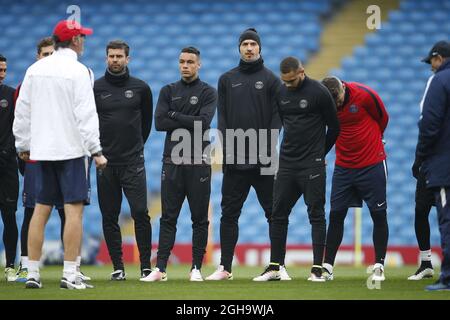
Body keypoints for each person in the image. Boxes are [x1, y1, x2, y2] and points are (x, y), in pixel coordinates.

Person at [13, 20, 107, 290]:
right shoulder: (78, 71)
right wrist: (96, 150)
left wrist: (23, 144)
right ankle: (69, 274)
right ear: (75, 41)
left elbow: (22, 112)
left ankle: (32, 272)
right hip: (72, 150)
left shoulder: (34, 70)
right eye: (82, 37)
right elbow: (86, 114)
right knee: (73, 211)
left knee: (39, 211)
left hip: (41, 151)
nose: (84, 41)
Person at [205, 28, 284, 281]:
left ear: (259, 48)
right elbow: (223, 119)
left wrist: (267, 149)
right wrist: (227, 151)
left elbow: (277, 119)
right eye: (245, 44)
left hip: (264, 160)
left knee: (274, 213)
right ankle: (225, 268)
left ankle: (277, 266)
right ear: (239, 48)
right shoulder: (226, 79)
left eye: (253, 44)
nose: (249, 48)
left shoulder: (272, 80)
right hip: (235, 160)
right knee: (229, 214)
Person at [253, 57, 340, 282]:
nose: (288, 85)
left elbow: (335, 127)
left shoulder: (319, 93)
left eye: (291, 80)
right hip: (287, 165)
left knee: (316, 215)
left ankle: (317, 270)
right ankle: (275, 266)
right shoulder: (280, 93)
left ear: (301, 72)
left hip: (312, 165)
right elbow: (285, 123)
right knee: (277, 213)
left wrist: (320, 153)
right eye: (285, 81)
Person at [141, 47, 216, 282]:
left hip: (198, 163)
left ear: (199, 65)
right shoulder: (167, 90)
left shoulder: (208, 92)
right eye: (182, 61)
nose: (185, 65)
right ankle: (161, 269)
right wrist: (182, 118)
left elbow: (203, 124)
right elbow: (159, 124)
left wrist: (174, 115)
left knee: (199, 219)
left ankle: (196, 268)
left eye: (190, 62)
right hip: (171, 162)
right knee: (167, 217)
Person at [318, 76, 389, 282]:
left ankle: (379, 265)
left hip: (372, 163)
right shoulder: (325, 103)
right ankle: (328, 266)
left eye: (338, 99)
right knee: (336, 215)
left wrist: (376, 139)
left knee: (378, 214)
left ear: (342, 87)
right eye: (333, 102)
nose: (337, 104)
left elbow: (383, 118)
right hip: (344, 167)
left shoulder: (365, 95)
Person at [94, 40, 152, 281]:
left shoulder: (141, 88)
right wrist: (98, 153)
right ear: (106, 58)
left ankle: (145, 267)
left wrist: (135, 148)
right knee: (109, 215)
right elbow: (89, 123)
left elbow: (146, 124)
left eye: (119, 56)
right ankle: (118, 266)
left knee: (140, 212)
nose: (115, 60)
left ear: (128, 59)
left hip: (133, 162)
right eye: (111, 56)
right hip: (105, 162)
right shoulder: (95, 88)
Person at [408, 43, 450, 281]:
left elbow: (429, 124)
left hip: (438, 160)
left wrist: (421, 156)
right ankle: (426, 262)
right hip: (439, 157)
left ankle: (443, 273)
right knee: (421, 209)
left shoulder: (439, 81)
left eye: (431, 62)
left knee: (439, 215)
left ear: (438, 58)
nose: (431, 67)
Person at [0, 53, 19, 282]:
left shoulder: (11, 95)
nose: (2, 74)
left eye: (3, 70)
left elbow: (19, 126)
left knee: (9, 215)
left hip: (7, 165)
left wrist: (7, 151)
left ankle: (10, 265)